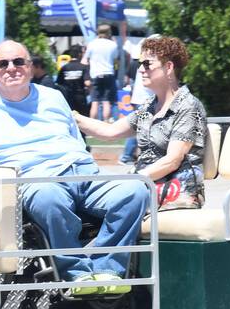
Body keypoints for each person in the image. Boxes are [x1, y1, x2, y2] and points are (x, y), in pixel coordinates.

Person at [0, 39, 152, 296]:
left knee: (136, 190)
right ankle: (76, 275)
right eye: (3, 63)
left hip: (82, 172)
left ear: (30, 66)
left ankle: (106, 269)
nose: (11, 68)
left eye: (18, 62)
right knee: (49, 198)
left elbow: (75, 139)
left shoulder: (53, 96)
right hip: (35, 179)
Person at [73, 36, 207, 211]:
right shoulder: (149, 107)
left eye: (147, 64)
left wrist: (130, 181)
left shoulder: (189, 106)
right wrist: (70, 116)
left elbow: (172, 161)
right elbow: (110, 131)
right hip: (142, 187)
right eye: (140, 64)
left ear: (168, 67)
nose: (141, 70)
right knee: (80, 196)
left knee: (98, 204)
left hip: (174, 192)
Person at [86, 24, 121, 122]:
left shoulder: (92, 44)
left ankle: (92, 123)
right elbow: (116, 60)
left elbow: (86, 59)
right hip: (108, 73)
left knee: (95, 101)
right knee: (106, 101)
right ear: (109, 32)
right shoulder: (112, 44)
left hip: (95, 74)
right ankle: (106, 122)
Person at [53, 43, 90, 116]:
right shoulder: (83, 67)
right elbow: (87, 83)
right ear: (79, 54)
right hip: (80, 97)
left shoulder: (64, 68)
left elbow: (59, 83)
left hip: (67, 98)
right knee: (83, 118)